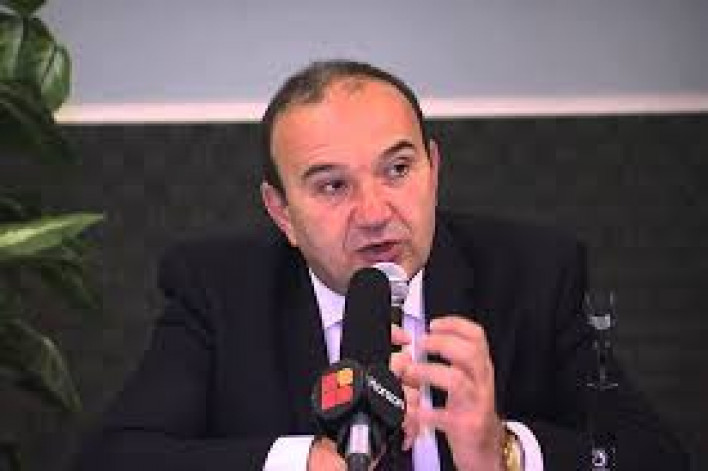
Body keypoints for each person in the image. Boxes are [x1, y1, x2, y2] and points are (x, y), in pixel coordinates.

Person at [76, 60, 687, 470]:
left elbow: (653, 457)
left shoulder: (532, 274)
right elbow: (115, 458)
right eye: (332, 186)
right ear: (282, 212)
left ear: (434, 171)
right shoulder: (220, 291)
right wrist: (309, 463)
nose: (374, 213)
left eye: (398, 169)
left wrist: (504, 451)